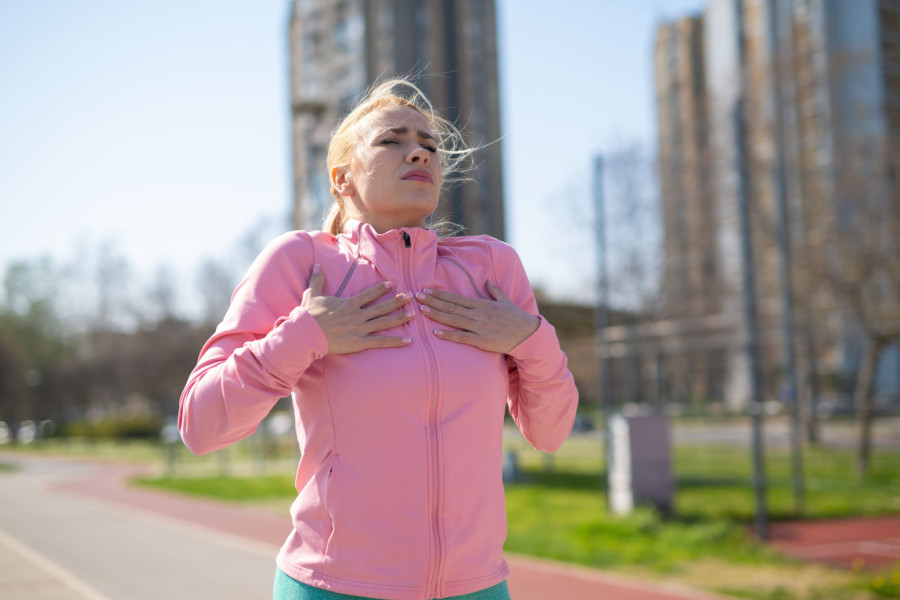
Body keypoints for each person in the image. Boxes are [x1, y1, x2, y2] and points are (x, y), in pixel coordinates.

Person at [178, 78, 578, 600]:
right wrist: (305, 335)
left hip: (475, 588)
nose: (419, 152)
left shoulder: (492, 267)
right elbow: (200, 425)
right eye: (392, 141)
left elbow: (551, 434)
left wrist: (532, 338)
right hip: (334, 586)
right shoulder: (302, 262)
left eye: (430, 146)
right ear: (342, 178)